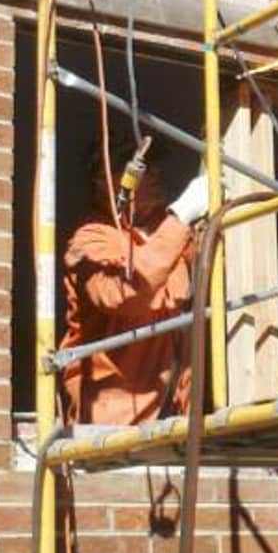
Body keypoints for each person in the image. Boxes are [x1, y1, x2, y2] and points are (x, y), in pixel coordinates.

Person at [58, 137, 210, 425]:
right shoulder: (91, 240)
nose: (154, 173)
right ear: (103, 179)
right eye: (141, 165)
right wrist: (181, 216)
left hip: (176, 416)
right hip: (114, 424)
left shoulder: (172, 237)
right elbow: (127, 294)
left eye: (155, 165)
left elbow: (215, 257)